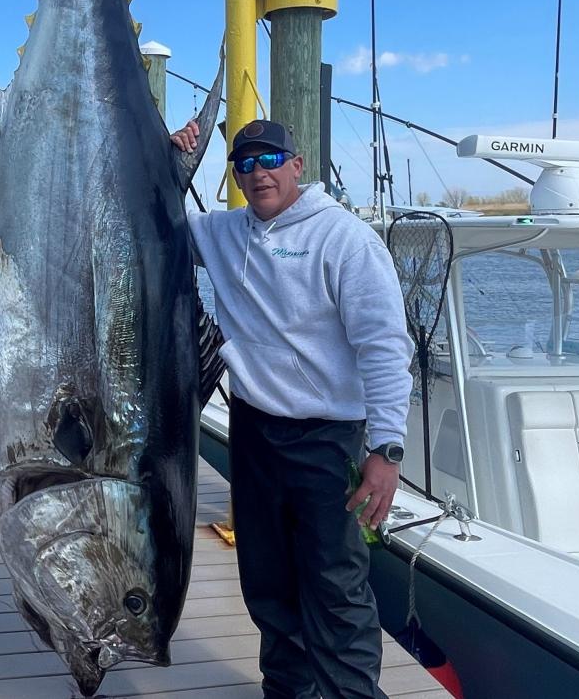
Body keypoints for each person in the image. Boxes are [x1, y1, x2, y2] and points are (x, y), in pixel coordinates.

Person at [171, 117, 413, 699]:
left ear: (297, 164)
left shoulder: (346, 240)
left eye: (270, 160)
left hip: (329, 441)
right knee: (268, 586)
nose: (259, 174)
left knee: (336, 589)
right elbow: (153, 223)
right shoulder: (224, 233)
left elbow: (384, 347)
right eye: (245, 165)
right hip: (254, 435)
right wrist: (168, 159)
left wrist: (386, 450)